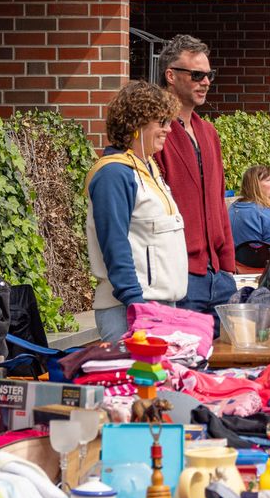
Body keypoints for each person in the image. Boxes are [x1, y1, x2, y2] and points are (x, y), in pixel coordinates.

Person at [87, 82, 188, 343]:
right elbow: (115, 244)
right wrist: (137, 305)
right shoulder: (114, 173)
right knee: (141, 384)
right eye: (161, 121)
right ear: (136, 123)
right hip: (131, 310)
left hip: (159, 307)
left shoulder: (148, 168)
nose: (168, 128)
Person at [155, 34, 237, 319]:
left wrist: (228, 265)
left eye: (209, 75)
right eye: (197, 75)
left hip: (219, 276)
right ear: (171, 76)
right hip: (180, 276)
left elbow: (218, 201)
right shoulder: (156, 133)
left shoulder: (208, 133)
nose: (206, 82)